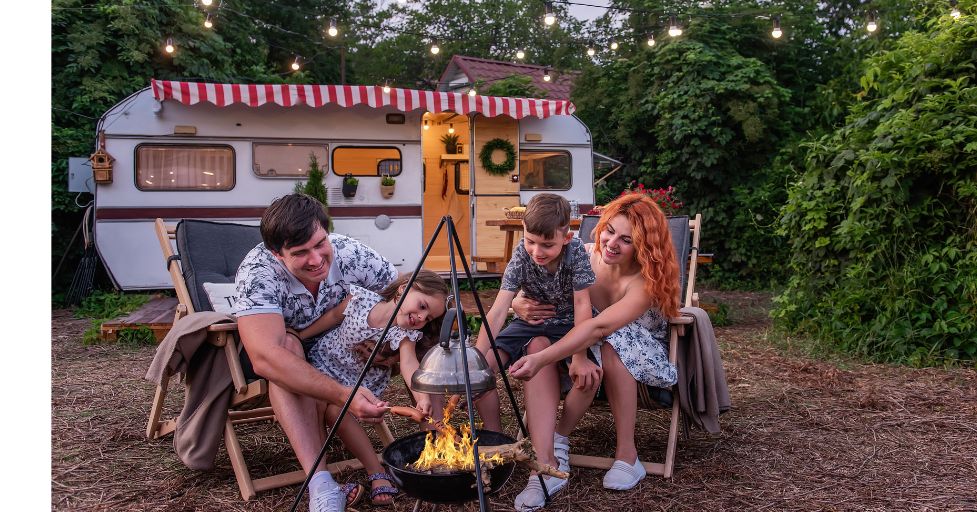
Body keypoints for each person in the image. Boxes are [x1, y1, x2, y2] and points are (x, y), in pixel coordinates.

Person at [233, 193, 398, 512]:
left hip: (340, 347)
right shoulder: (258, 273)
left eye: (320, 243)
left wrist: (383, 337)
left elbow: (402, 295)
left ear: (327, 231)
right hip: (286, 350)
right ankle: (322, 485)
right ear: (277, 255)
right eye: (300, 252)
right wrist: (342, 395)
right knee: (287, 348)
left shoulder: (351, 253)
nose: (316, 258)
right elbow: (265, 357)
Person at [508, 192, 681, 495]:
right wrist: (519, 305)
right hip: (580, 339)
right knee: (536, 341)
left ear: (644, 246)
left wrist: (544, 359)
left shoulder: (645, 283)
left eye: (626, 240)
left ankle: (627, 455)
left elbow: (600, 327)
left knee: (612, 342)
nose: (612, 244)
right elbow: (538, 289)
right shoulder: (583, 255)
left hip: (635, 352)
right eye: (610, 231)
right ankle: (548, 455)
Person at [471, 193, 600, 511]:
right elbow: (500, 308)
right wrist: (473, 358)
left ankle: (552, 450)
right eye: (530, 242)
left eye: (546, 245)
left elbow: (584, 306)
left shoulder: (575, 255)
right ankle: (494, 441)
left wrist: (580, 356)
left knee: (589, 377)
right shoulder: (522, 253)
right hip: (531, 325)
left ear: (566, 237)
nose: (536, 251)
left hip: (568, 327)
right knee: (481, 367)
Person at [301, 270, 449, 506]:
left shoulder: (404, 334)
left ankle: (375, 471)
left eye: (428, 318)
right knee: (317, 399)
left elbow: (409, 364)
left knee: (334, 411)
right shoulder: (359, 300)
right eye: (422, 306)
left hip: (360, 386)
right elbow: (330, 318)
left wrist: (421, 396)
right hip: (323, 366)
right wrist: (300, 336)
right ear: (403, 289)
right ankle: (321, 478)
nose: (421, 317)